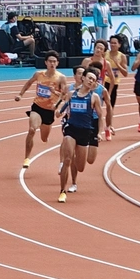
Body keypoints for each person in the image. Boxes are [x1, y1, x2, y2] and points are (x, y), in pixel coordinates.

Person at [15, 50, 68, 169]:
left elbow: (64, 95)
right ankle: (27, 158)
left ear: (57, 63)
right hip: (37, 106)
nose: (52, 64)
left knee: (44, 139)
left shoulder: (61, 78)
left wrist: (56, 100)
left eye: (54, 61)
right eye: (50, 61)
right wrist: (20, 94)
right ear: (46, 62)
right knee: (32, 130)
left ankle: (44, 135)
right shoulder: (39, 74)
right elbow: (29, 83)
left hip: (49, 111)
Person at [56, 67, 102, 203]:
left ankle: (74, 159)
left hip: (85, 131)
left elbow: (101, 116)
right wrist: (59, 112)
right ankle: (62, 191)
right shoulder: (71, 94)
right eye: (89, 78)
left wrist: (99, 132)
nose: (91, 81)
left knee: (80, 167)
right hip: (71, 128)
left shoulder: (94, 97)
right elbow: (66, 105)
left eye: (94, 80)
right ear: (83, 78)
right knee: (67, 159)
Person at [105, 34, 128, 111]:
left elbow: (125, 73)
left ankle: (109, 118)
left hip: (114, 82)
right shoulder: (105, 53)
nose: (112, 45)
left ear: (119, 45)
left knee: (110, 106)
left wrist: (118, 64)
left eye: (115, 43)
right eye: (111, 43)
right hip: (103, 81)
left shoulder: (122, 56)